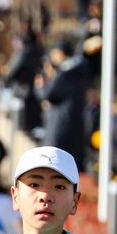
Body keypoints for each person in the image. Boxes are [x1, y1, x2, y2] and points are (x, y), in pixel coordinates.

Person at [35, 37, 90, 170]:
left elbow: (48, 94)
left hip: (61, 126)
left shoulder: (67, 72)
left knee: (55, 164)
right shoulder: (79, 69)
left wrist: (39, 86)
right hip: (72, 125)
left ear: (60, 53)